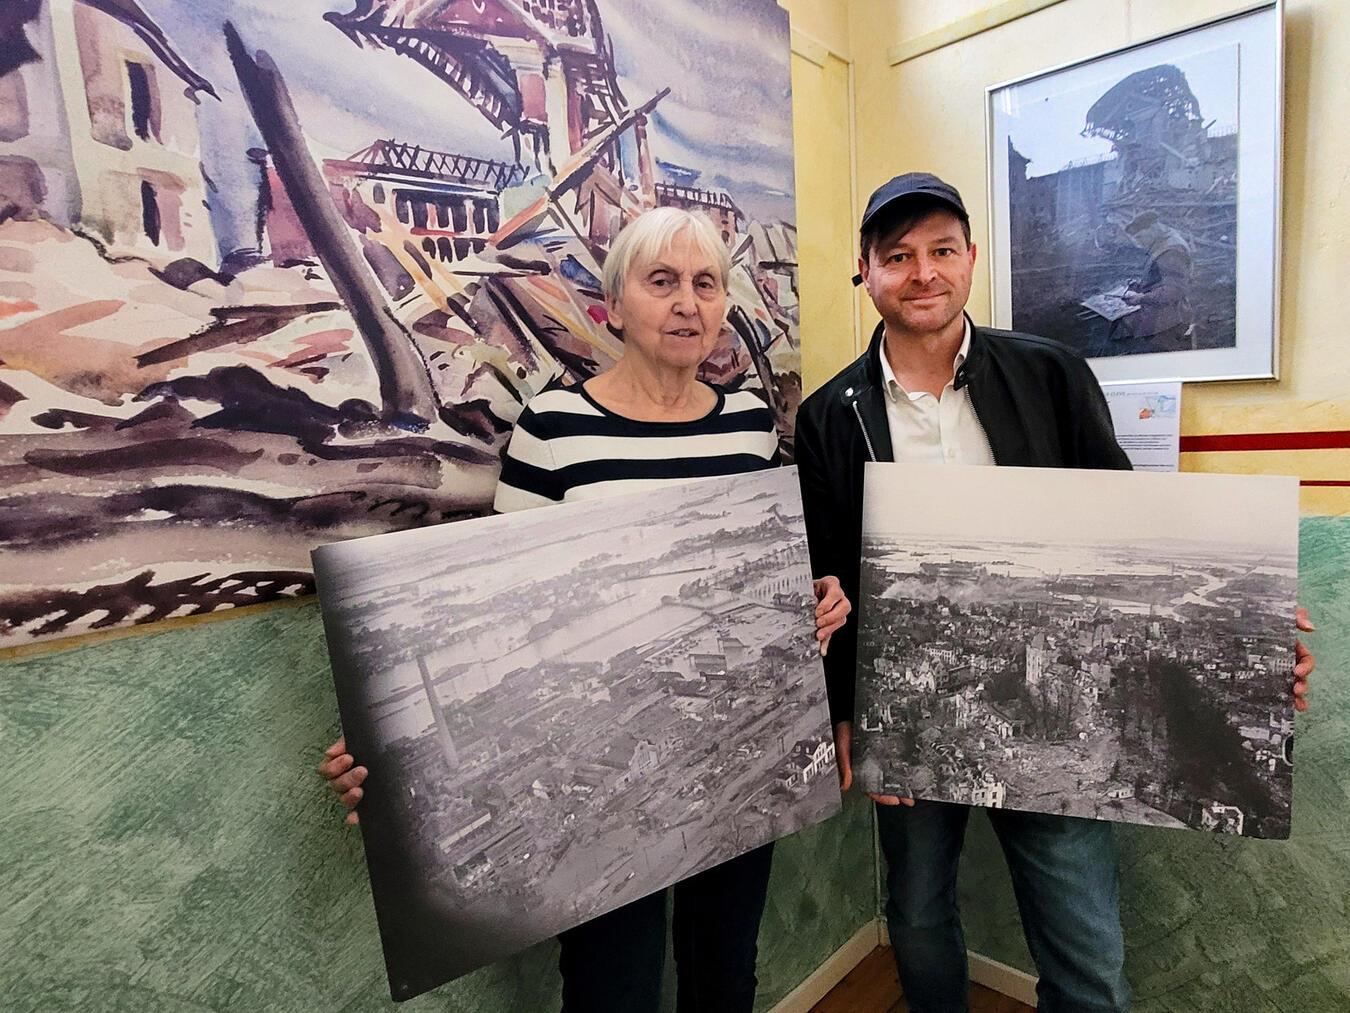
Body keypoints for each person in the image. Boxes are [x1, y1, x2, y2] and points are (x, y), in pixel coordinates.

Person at [794, 172, 1315, 1013]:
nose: (922, 272)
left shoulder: (1051, 372)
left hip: (1055, 708)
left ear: (970, 260)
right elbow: (830, 579)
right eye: (898, 256)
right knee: (920, 917)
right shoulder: (829, 415)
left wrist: (1244, 628)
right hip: (912, 715)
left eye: (941, 251)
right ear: (866, 271)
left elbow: (1129, 530)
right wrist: (850, 713)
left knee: (1085, 947)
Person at [320, 206, 852, 1013]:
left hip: (735, 764)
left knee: (725, 972)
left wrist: (809, 602)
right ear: (614, 305)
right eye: (662, 281)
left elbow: (762, 571)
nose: (687, 303)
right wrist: (401, 751)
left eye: (705, 284)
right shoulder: (556, 427)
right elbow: (503, 604)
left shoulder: (748, 422)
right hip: (606, 778)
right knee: (611, 986)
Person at [1117, 210, 1194, 352]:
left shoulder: (1171, 250)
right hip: (1164, 314)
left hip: (1168, 320)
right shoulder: (1164, 240)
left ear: (1153, 228)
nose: (1138, 243)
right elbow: (1162, 277)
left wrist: (1141, 297)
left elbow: (1174, 290)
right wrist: (1140, 285)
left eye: (1140, 237)